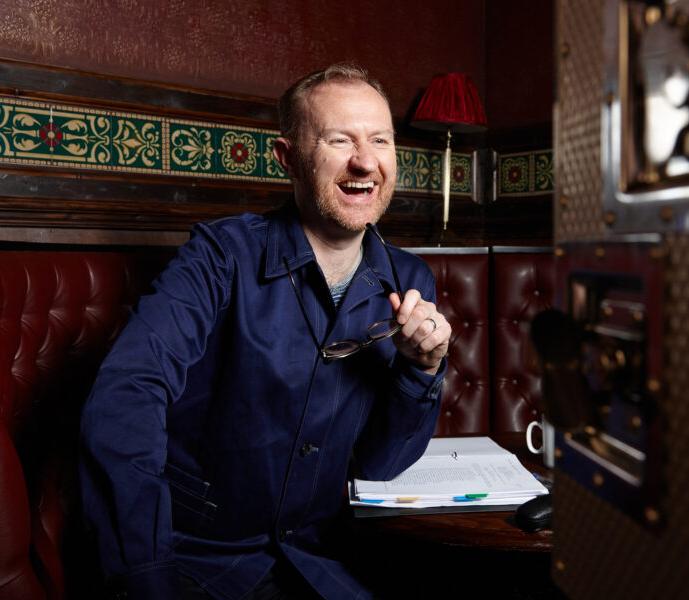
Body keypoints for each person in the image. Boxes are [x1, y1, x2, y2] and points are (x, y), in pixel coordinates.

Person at [79, 62, 451, 600]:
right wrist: (145, 579)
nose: (365, 161)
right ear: (287, 158)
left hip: (326, 565)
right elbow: (125, 397)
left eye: (380, 140)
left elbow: (381, 464)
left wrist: (422, 369)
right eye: (339, 139)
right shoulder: (219, 256)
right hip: (197, 563)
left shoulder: (411, 279)